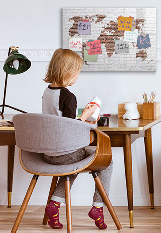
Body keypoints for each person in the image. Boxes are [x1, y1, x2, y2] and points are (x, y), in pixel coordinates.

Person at [42, 48, 112, 230]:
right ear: (69, 72)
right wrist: (86, 116)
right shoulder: (68, 96)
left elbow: (59, 121)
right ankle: (98, 207)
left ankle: (54, 205)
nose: (77, 76)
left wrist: (81, 116)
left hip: (48, 153)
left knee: (72, 165)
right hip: (65, 153)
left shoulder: (47, 92)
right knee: (107, 161)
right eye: (77, 72)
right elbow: (69, 128)